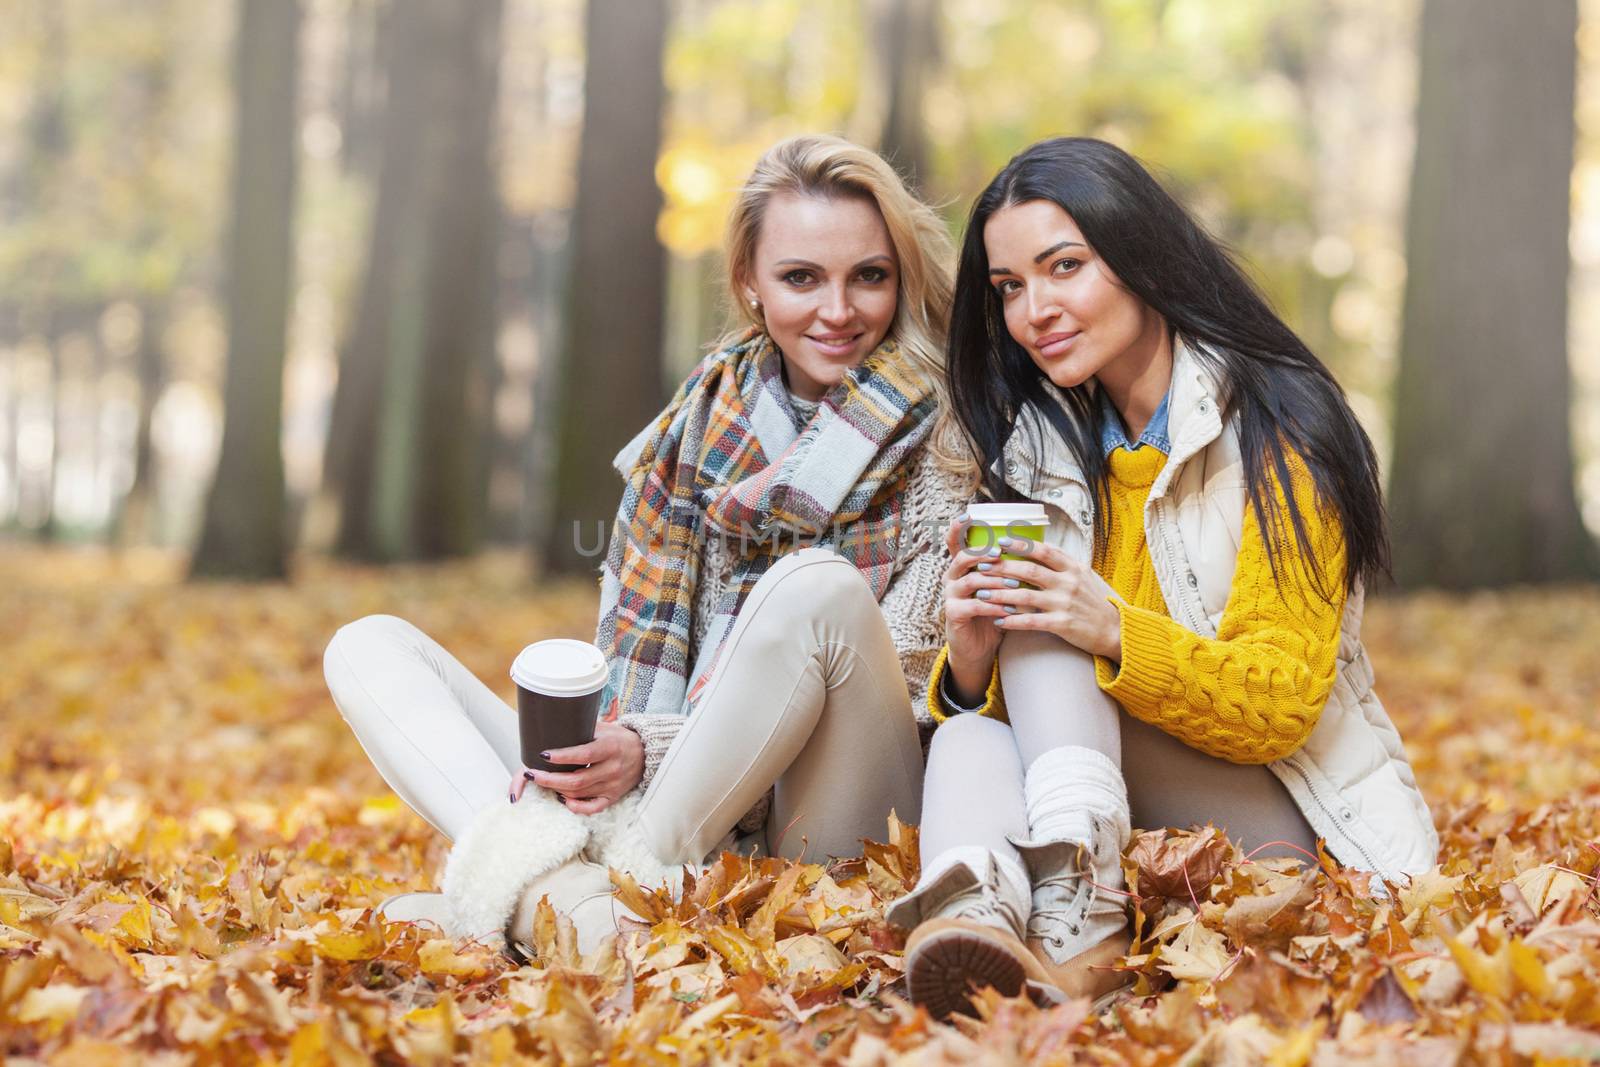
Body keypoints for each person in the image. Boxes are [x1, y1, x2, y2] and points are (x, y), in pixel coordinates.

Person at [323, 134, 971, 959]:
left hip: (836, 810)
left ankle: (603, 900)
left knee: (816, 588)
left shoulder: (950, 433)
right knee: (367, 645)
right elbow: (624, 671)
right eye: (801, 277)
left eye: (868, 276)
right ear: (750, 283)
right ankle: (570, 896)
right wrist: (601, 753)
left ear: (901, 277)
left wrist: (648, 747)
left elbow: (918, 681)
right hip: (668, 795)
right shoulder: (690, 435)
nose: (837, 310)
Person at [883, 137, 1439, 1019]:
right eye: (1011, 287)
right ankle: (979, 925)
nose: (1035, 310)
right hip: (1120, 808)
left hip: (1290, 821)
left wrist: (1109, 628)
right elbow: (1029, 717)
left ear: (1139, 253)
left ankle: (1085, 931)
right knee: (965, 735)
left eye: (1064, 266)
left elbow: (1285, 698)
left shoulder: (1279, 426)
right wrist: (971, 666)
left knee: (1055, 618)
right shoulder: (1044, 445)